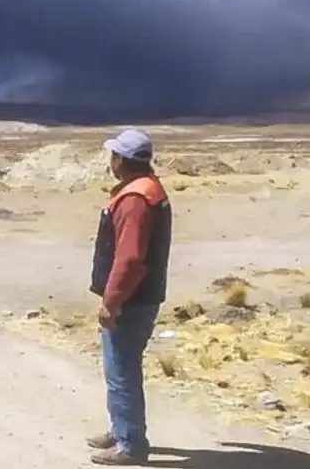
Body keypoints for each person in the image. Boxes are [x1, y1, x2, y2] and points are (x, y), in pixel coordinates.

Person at [86, 128, 172, 466]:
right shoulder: (146, 188)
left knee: (121, 369)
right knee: (118, 367)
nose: (111, 161)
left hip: (131, 300)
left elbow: (131, 258)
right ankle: (120, 427)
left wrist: (112, 300)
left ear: (122, 160)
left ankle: (131, 444)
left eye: (114, 156)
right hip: (140, 295)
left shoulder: (136, 200)